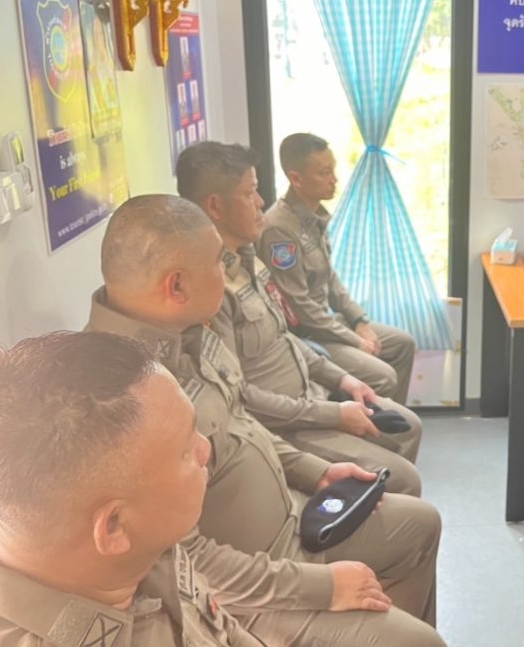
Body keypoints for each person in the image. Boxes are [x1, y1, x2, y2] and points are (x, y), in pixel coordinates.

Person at [87, 194, 445, 646]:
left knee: (421, 525)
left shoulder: (190, 334)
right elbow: (185, 563)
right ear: (176, 286)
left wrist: (316, 472)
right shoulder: (118, 398)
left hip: (292, 519)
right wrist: (324, 587)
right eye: (219, 264)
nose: (227, 273)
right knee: (419, 643)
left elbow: (240, 420)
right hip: (249, 589)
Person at [0, 331, 262, 645]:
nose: (205, 448)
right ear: (114, 526)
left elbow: (224, 631)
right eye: (185, 452)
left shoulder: (138, 542)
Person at [176, 141, 423, 496]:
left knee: (407, 426)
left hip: (308, 395)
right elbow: (240, 398)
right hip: (283, 426)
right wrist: (333, 414)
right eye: (250, 192)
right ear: (215, 206)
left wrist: (342, 378)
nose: (261, 201)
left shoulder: (248, 261)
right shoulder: (210, 292)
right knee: (405, 478)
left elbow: (284, 335)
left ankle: (375, 504)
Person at [260, 133, 417, 405]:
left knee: (403, 344)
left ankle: (394, 423)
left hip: (328, 323)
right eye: (324, 173)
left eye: (332, 170)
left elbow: (330, 279)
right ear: (296, 179)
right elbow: (299, 307)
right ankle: (370, 429)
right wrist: (354, 340)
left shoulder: (313, 216)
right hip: (307, 336)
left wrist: (359, 321)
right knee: (384, 377)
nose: (334, 179)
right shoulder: (279, 229)